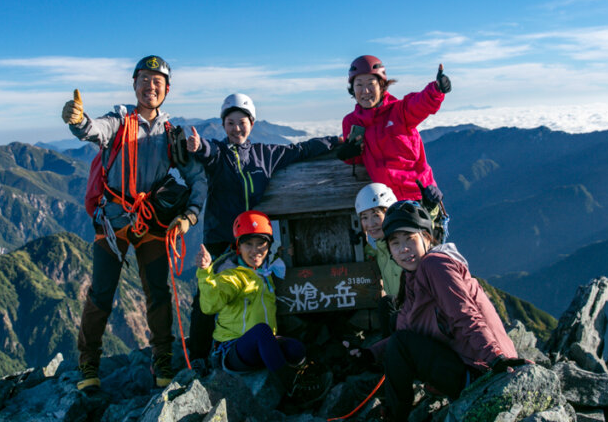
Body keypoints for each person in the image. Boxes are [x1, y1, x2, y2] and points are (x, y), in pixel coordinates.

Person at [61, 55, 207, 390]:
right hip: (113, 222)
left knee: (158, 291)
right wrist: (78, 120)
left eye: (157, 81)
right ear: (135, 84)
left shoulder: (172, 134)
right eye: (144, 79)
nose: (150, 86)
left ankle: (162, 360)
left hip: (149, 222)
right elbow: (92, 130)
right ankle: (89, 365)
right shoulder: (119, 120)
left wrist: (190, 215)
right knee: (102, 292)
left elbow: (197, 178)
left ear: (166, 90)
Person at [184, 92, 341, 360]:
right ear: (223, 126)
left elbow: (299, 150)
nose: (236, 128)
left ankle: (252, 344)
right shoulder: (218, 153)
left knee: (255, 291)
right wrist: (199, 147)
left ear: (252, 124)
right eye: (230, 123)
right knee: (208, 294)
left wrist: (335, 142)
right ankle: (199, 356)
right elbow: (207, 152)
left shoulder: (264, 155)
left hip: (253, 239)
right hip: (221, 238)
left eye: (242, 122)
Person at [352, 202, 527, 422]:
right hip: (468, 364)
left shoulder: (436, 265)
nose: (403, 249)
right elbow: (407, 329)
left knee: (401, 343)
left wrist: (496, 358)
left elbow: (465, 314)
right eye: (395, 243)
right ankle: (395, 409)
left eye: (409, 239)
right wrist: (369, 354)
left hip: (479, 371)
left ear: (426, 237)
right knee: (393, 318)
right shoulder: (412, 277)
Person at [194, 210, 331, 406]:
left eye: (261, 244)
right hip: (232, 350)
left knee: (296, 349)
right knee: (261, 332)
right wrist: (205, 273)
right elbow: (209, 305)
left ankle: (297, 376)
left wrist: (282, 254)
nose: (255, 250)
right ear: (238, 247)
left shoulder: (264, 273)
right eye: (248, 244)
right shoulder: (232, 275)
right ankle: (294, 389)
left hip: (261, 346)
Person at [340, 55, 451, 226]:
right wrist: (348, 154)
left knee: (425, 248)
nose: (365, 90)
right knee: (398, 251)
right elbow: (359, 158)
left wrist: (436, 89)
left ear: (382, 85)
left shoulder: (399, 111)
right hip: (388, 203)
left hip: (421, 197)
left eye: (371, 83)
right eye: (359, 85)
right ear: (352, 89)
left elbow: (420, 104)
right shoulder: (351, 122)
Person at [354, 183, 403, 336]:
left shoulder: (404, 248)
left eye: (376, 215)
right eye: (365, 217)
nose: (370, 224)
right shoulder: (383, 247)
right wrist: (363, 246)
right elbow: (379, 256)